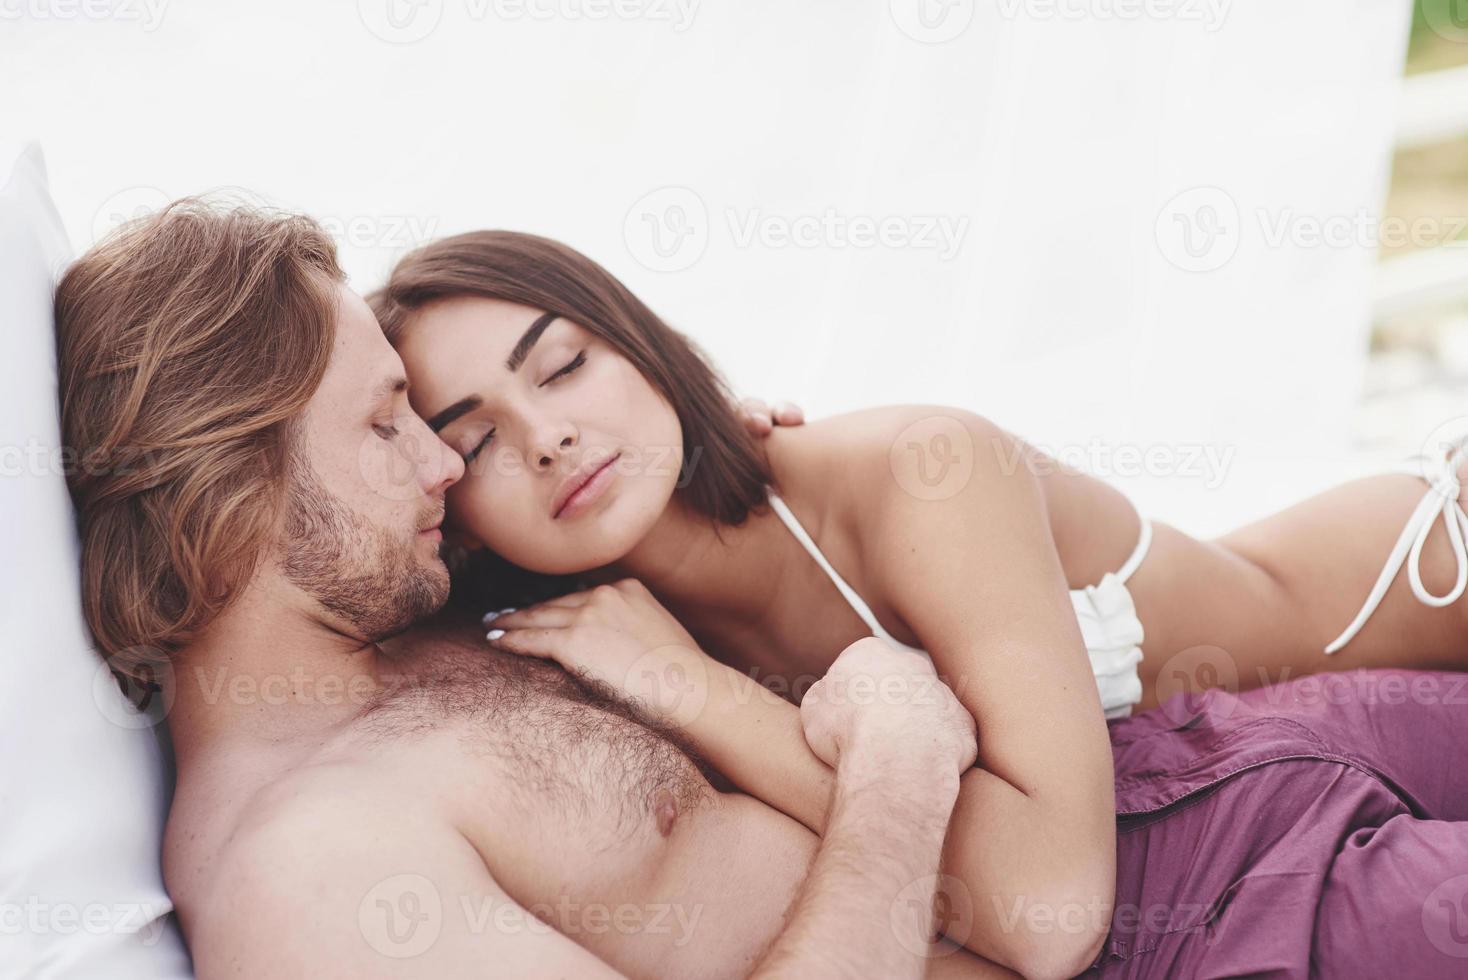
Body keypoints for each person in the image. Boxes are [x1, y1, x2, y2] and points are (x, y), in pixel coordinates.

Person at [369, 229, 1468, 971]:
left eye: (562, 367)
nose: (545, 435)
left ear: (644, 347)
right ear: (451, 509)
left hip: (1412, 587)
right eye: (476, 437)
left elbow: (1049, 906)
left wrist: (699, 692)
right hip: (1296, 785)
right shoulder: (573, 645)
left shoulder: (918, 471)